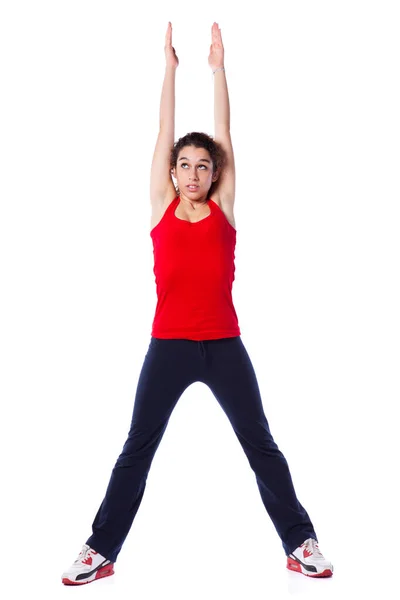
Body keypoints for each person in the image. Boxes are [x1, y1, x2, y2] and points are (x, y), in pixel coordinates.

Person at [62, 21, 333, 586]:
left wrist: (218, 70)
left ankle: (300, 542)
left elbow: (224, 132)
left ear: (215, 175)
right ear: (172, 172)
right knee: (137, 448)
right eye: (184, 165)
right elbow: (164, 131)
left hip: (224, 345)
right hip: (169, 346)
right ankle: (100, 550)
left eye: (202, 166)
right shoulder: (161, 205)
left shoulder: (223, 209)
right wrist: (169, 70)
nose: (192, 173)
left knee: (261, 443)